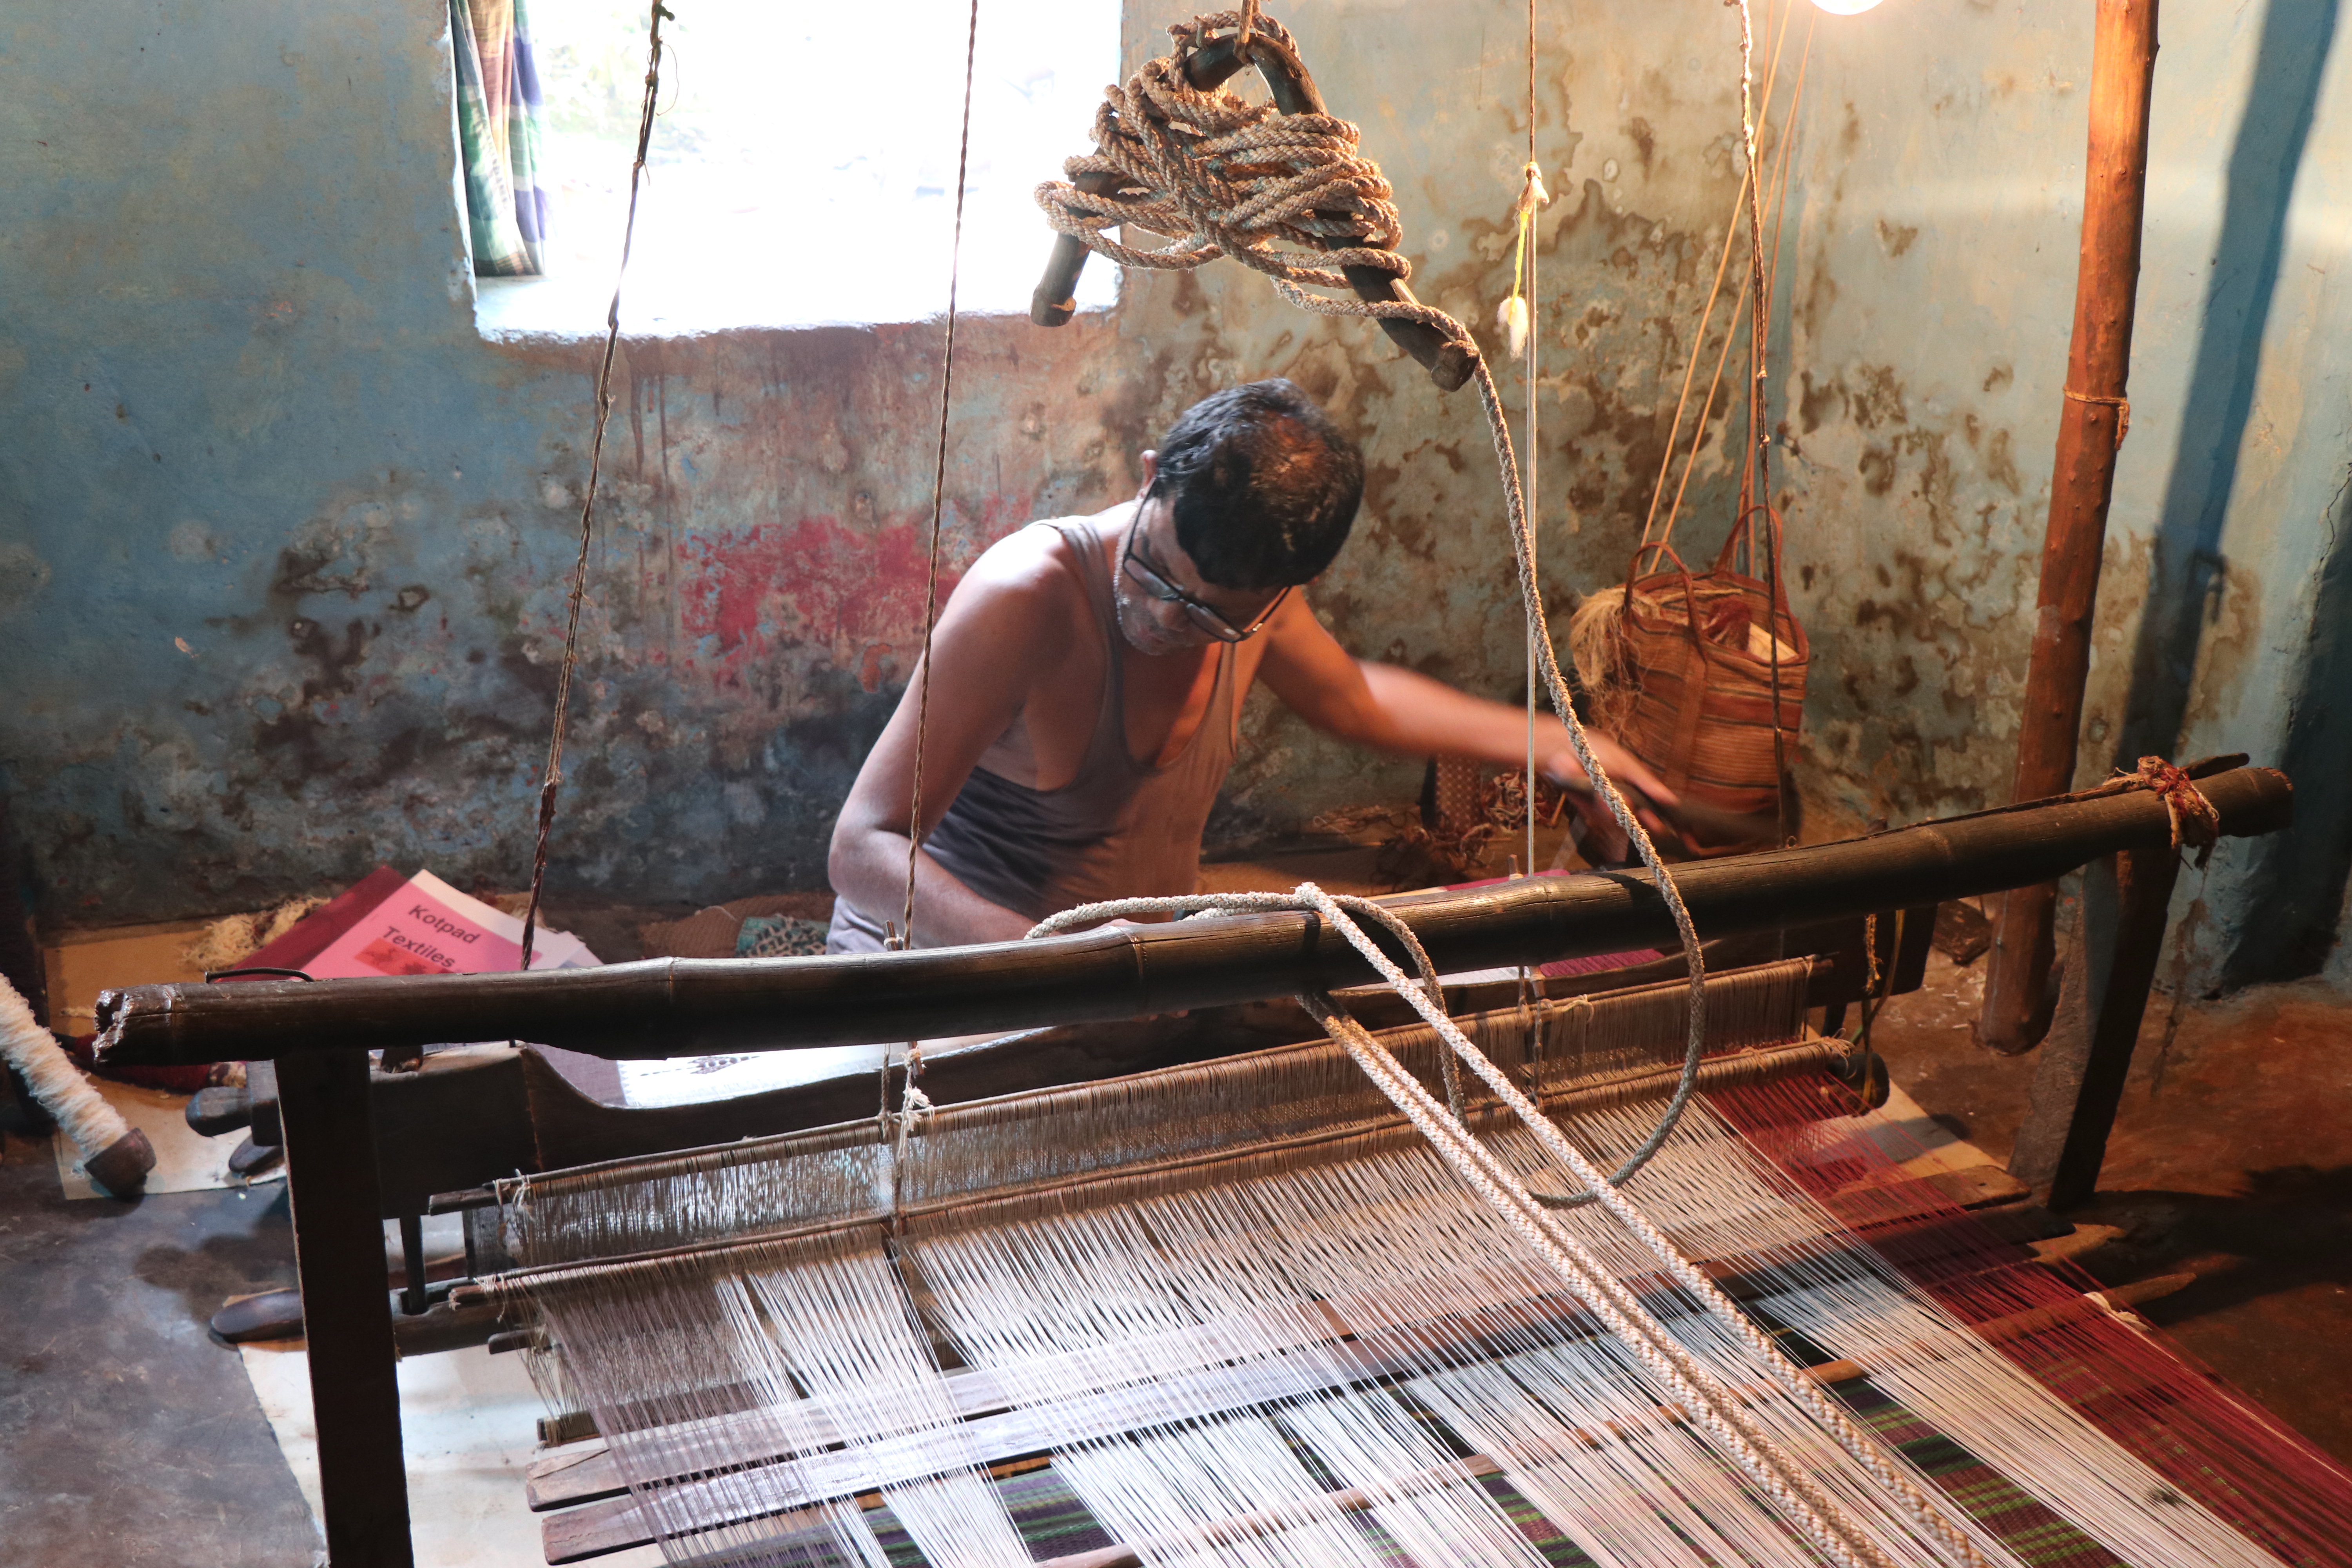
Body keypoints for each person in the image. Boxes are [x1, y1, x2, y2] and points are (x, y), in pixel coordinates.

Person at [826, 379, 1674, 952]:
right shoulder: (1027, 596)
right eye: (1155, 572)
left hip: (1132, 980)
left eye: (1207, 614)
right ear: (1152, 477)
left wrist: (1557, 743)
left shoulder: (1256, 597)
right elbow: (862, 848)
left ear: (1283, 591)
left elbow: (1350, 698)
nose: (1163, 618)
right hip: (952, 965)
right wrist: (1045, 960)